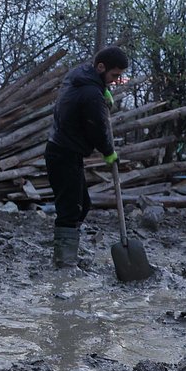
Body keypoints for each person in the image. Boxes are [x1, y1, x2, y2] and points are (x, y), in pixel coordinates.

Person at [44, 45, 128, 268]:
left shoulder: (81, 76)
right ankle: (64, 262)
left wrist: (103, 89)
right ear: (101, 67)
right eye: (113, 76)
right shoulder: (90, 93)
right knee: (71, 209)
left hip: (63, 151)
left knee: (83, 203)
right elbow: (96, 128)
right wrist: (109, 153)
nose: (115, 80)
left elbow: (90, 94)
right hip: (64, 153)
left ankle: (66, 251)